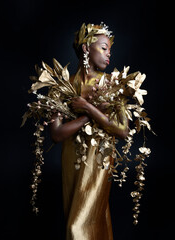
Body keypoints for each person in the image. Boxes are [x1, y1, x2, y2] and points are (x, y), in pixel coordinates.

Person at [49, 23, 129, 240]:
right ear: (86, 48)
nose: (109, 54)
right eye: (104, 48)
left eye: (110, 50)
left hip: (99, 159)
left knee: (78, 227)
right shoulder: (64, 85)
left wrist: (88, 108)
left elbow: (123, 131)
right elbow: (56, 134)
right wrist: (87, 114)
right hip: (71, 159)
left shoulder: (112, 83)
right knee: (94, 221)